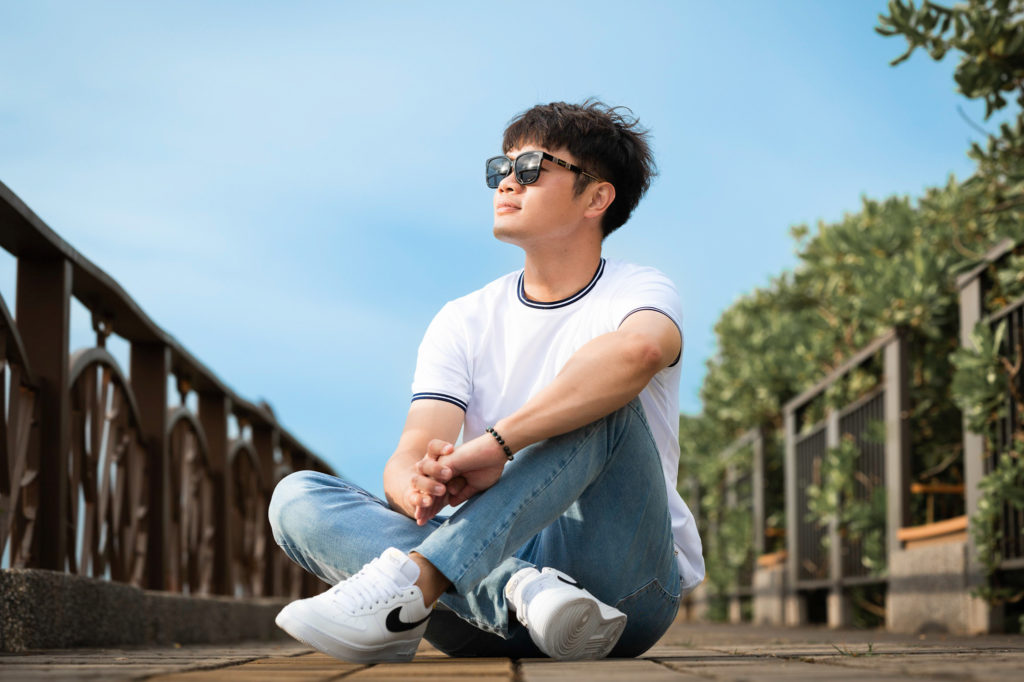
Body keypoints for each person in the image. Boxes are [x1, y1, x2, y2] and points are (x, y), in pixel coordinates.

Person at [268, 100, 704, 663]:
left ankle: (423, 576)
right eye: (500, 170)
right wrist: (420, 485)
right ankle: (521, 589)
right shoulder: (462, 318)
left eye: (531, 169)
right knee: (295, 498)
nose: (506, 184)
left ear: (597, 196)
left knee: (607, 403)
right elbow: (409, 453)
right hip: (482, 607)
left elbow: (640, 350)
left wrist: (498, 444)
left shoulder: (639, 289)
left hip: (620, 595)